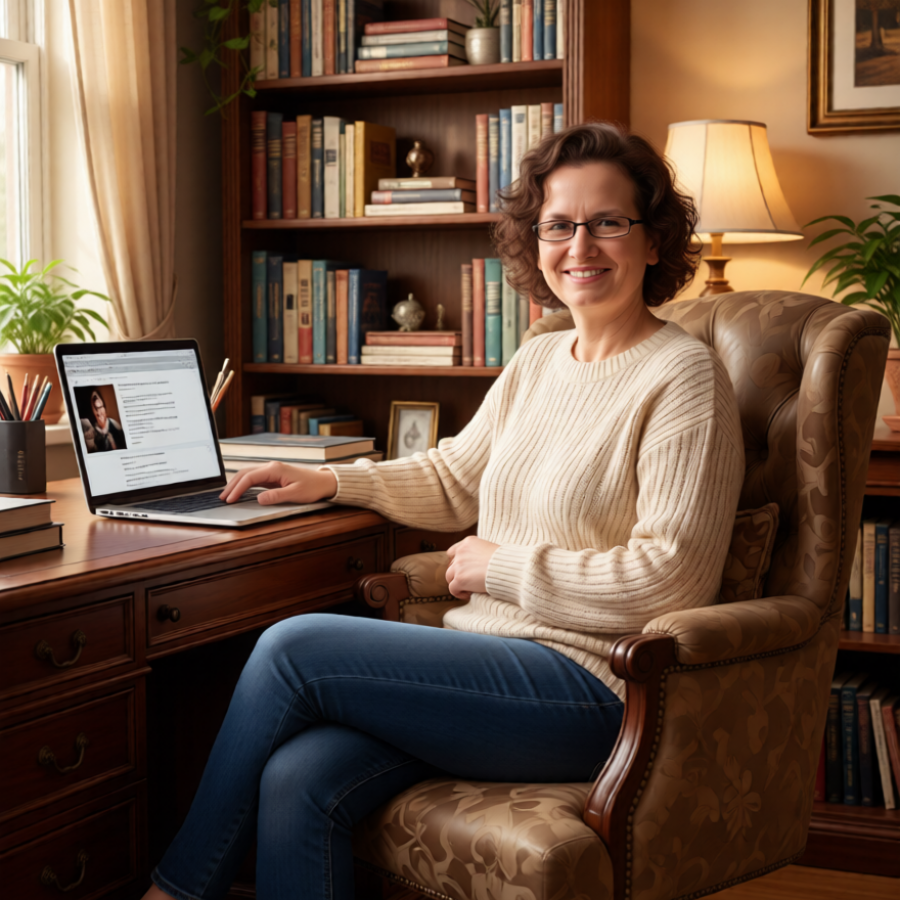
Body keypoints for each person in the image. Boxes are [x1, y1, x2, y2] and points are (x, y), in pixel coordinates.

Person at [144, 123, 745, 900]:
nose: (581, 245)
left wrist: (503, 567)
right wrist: (331, 483)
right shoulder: (538, 358)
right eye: (559, 225)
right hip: (490, 671)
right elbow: (457, 476)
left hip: (595, 692)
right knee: (299, 776)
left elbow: (672, 580)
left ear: (654, 240)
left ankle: (173, 892)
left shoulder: (685, 379)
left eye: (609, 222)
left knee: (292, 647)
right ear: (537, 240)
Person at [80, 387, 126, 453]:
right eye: (95, 408)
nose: (98, 413)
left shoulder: (114, 424)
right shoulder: (92, 432)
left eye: (100, 407)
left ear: (104, 407)